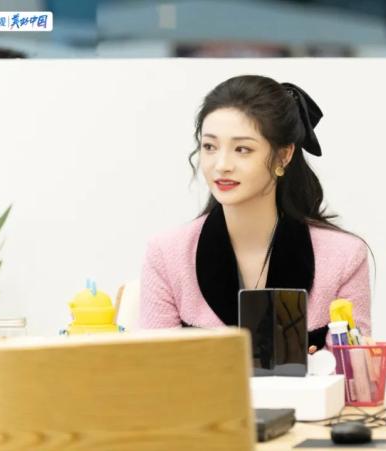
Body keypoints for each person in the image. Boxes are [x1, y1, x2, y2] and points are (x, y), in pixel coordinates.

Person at [140, 75, 371, 351]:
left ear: (283, 155)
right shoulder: (167, 255)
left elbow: (356, 372)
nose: (221, 165)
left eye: (242, 149)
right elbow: (155, 368)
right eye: (210, 147)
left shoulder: (344, 257)